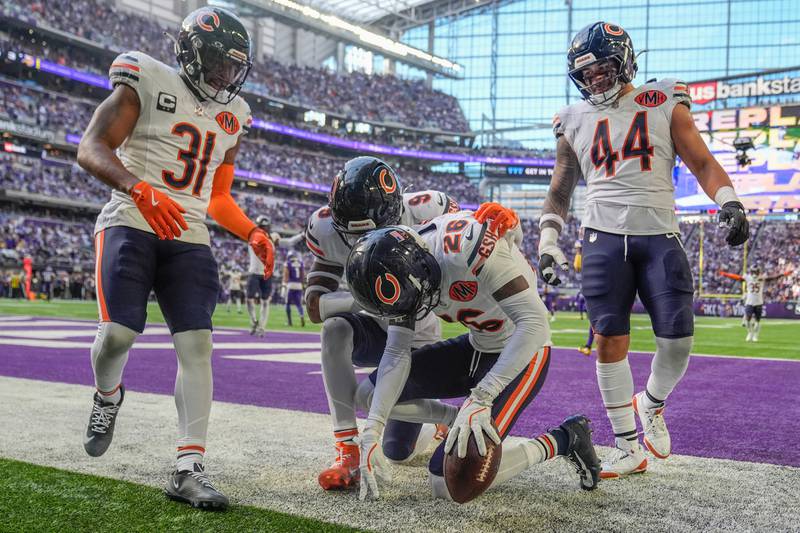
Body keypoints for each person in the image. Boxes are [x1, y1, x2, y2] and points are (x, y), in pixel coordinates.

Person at [76, 7, 274, 510]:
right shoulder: (145, 76)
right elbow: (92, 147)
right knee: (117, 335)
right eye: (219, 63)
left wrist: (251, 231)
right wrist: (140, 190)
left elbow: (217, 198)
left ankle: (189, 468)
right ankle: (107, 395)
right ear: (191, 53)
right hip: (130, 216)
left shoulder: (236, 114)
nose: (227, 77)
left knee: (198, 346)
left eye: (235, 68)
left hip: (188, 230)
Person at [539, 22, 749, 478]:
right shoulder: (573, 118)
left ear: (625, 61)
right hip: (601, 237)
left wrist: (729, 201)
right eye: (586, 75)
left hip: (659, 235)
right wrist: (548, 242)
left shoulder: (663, 100)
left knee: (678, 340)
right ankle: (626, 446)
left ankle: (650, 403)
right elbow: (560, 188)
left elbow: (702, 161)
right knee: (610, 341)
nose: (595, 80)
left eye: (602, 69)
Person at [343, 209, 601, 501]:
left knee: (450, 486)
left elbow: (535, 324)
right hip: (477, 346)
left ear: (422, 266)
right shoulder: (401, 270)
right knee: (367, 395)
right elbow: (396, 349)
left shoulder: (466, 246)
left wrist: (482, 397)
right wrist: (372, 430)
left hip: (522, 352)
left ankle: (565, 438)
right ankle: (453, 418)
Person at [306, 156, 460, 491]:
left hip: (420, 336)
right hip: (376, 328)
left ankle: (439, 424)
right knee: (334, 330)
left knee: (398, 452)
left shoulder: (427, 211)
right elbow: (315, 306)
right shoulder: (324, 229)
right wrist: (363, 300)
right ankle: (346, 447)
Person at [720, 266, 790, 342]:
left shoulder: (751, 277)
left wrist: (725, 274)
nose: (756, 273)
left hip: (756, 302)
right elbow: (774, 277)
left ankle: (754, 335)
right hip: (752, 302)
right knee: (750, 320)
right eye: (756, 272)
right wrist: (784, 274)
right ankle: (751, 333)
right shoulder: (761, 278)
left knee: (756, 321)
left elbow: (736, 277)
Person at [283, 252, 305, 327]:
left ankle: (289, 322)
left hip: (291, 284)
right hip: (299, 285)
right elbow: (302, 275)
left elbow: (286, 274)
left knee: (287, 303)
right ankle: (301, 315)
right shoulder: (300, 263)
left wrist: (285, 284)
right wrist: (302, 284)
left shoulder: (288, 263)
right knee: (299, 304)